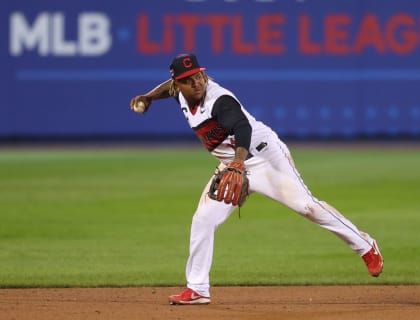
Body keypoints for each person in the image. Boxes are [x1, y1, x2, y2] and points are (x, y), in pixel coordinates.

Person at [129, 53, 384, 305]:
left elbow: (243, 128)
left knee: (306, 206)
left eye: (198, 75)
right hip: (232, 165)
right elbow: (168, 88)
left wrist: (238, 163)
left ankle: (365, 245)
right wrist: (149, 97)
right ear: (179, 84)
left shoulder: (219, 100)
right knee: (203, 219)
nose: (196, 82)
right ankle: (198, 289)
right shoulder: (179, 92)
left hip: (264, 157)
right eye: (188, 79)